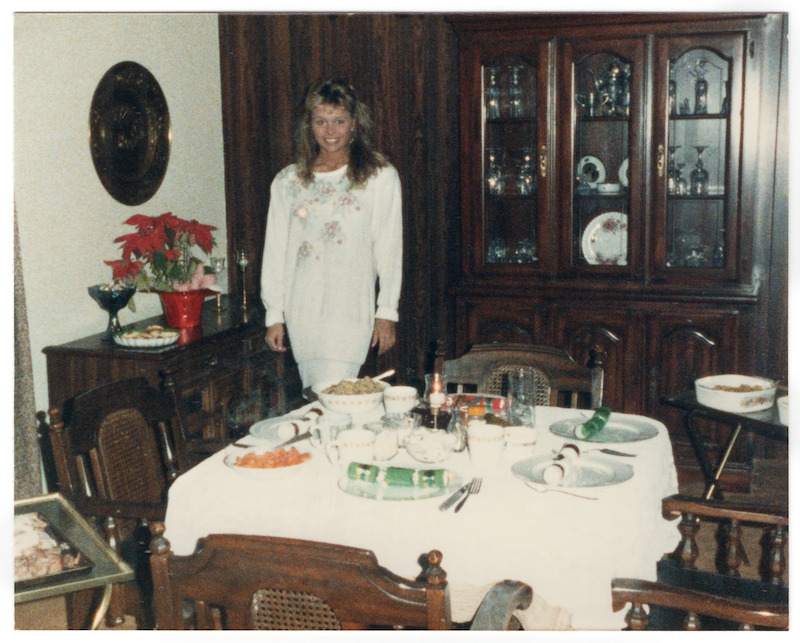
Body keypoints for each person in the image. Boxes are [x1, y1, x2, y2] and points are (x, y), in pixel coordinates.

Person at [260, 78, 402, 389]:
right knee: (321, 400)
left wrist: (387, 311)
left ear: (354, 123)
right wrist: (274, 314)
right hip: (303, 313)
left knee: (338, 397)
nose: (330, 131)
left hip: (349, 311)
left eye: (339, 121)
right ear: (308, 125)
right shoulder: (287, 181)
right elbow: (275, 250)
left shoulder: (379, 177)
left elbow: (389, 249)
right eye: (321, 121)